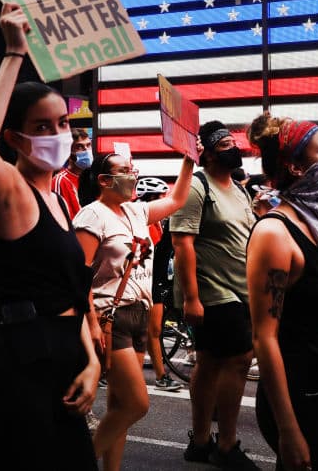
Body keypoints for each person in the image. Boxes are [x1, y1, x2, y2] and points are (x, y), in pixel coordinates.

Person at [0, 3, 99, 470]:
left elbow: (69, 295)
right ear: (14, 139)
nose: (59, 135)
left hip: (60, 372)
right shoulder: (14, 194)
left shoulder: (59, 201)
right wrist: (14, 53)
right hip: (19, 379)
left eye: (63, 124)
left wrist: (91, 361)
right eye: (42, 127)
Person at [74, 151, 194, 471]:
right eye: (125, 170)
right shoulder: (91, 216)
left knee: (119, 406)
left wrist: (189, 158)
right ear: (104, 180)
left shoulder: (138, 211)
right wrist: (92, 324)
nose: (133, 174)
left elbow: (178, 198)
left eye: (132, 169)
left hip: (139, 314)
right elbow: (78, 275)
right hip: (108, 317)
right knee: (136, 404)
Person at [245, 115, 318, 471]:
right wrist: (289, 430)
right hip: (299, 398)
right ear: (295, 166)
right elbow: (265, 339)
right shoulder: (274, 233)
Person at [171, 120, 259, 470]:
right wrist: (192, 298)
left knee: (207, 363)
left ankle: (201, 440)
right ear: (204, 152)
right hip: (213, 291)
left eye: (232, 141)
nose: (233, 147)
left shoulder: (239, 189)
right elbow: (182, 243)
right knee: (238, 360)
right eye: (223, 143)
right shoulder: (195, 187)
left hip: (241, 287)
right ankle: (227, 444)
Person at [138, 176, 183, 392]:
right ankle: (160, 376)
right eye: (159, 198)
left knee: (151, 331)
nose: (163, 202)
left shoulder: (160, 222)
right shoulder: (141, 221)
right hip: (145, 280)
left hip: (158, 279)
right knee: (152, 330)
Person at [53, 128, 91, 218]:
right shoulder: (60, 181)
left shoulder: (93, 178)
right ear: (68, 152)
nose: (86, 150)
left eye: (88, 145)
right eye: (79, 147)